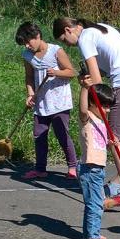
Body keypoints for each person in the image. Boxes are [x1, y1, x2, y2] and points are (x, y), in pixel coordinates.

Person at [52, 18, 120, 209]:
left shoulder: (85, 38)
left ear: (68, 30)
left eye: (64, 40)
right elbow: (106, 68)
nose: (68, 45)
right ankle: (117, 184)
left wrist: (86, 96)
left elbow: (97, 80)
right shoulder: (101, 28)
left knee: (114, 140)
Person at [15, 22, 78, 180]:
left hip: (59, 102)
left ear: (37, 36)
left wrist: (56, 72)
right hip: (41, 102)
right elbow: (29, 77)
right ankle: (40, 169)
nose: (27, 46)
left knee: (62, 134)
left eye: (28, 42)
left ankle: (73, 167)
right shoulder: (27, 55)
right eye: (24, 44)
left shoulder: (56, 51)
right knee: (39, 136)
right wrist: (30, 95)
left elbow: (71, 72)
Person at [77, 82, 116, 239]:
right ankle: (92, 237)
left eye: (109, 107)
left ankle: (90, 232)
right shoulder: (87, 118)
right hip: (90, 168)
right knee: (95, 203)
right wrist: (85, 88)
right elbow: (82, 109)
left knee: (95, 202)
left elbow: (97, 142)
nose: (107, 110)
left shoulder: (101, 120)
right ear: (93, 103)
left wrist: (109, 142)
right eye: (104, 106)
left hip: (97, 168)